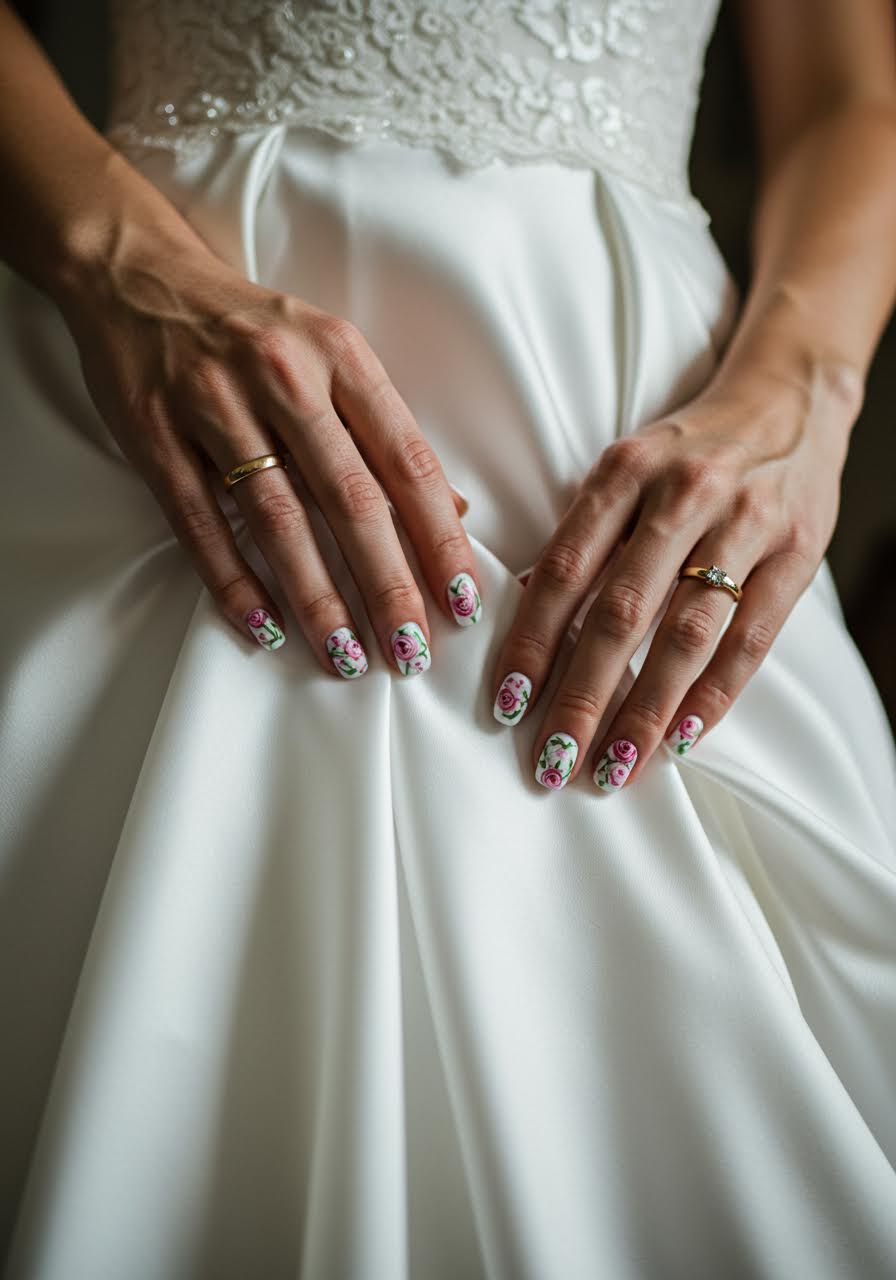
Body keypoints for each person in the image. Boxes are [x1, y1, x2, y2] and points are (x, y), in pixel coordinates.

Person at [2, 0, 895, 1275]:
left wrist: (807, 391)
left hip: (652, 418)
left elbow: (846, 94)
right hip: (164, 361)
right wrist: (112, 260)